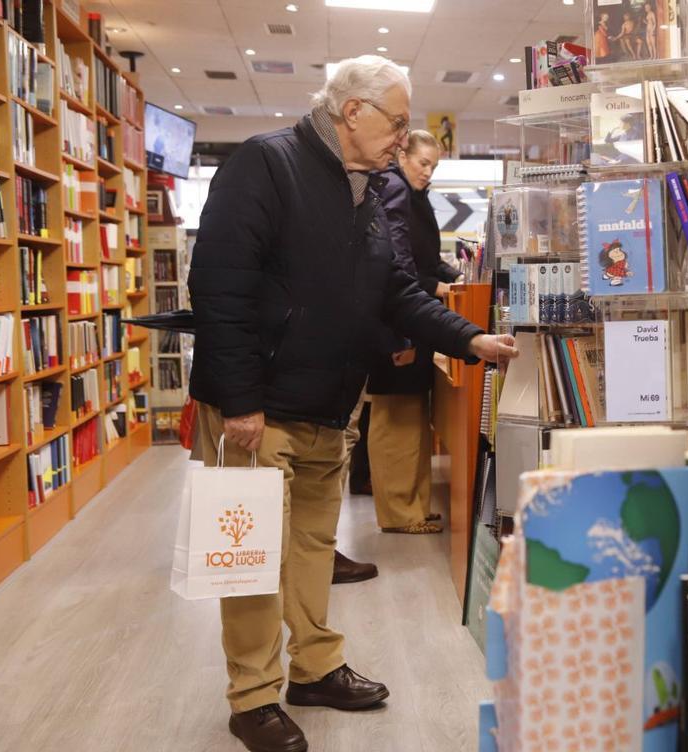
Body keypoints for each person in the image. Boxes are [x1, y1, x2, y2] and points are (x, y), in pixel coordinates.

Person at [188, 55, 518, 752]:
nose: (404, 135)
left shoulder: (367, 189)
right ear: (353, 111)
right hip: (259, 410)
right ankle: (252, 699)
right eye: (397, 122)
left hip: (328, 404)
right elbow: (220, 289)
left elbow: (394, 290)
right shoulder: (264, 164)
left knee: (311, 545)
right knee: (252, 558)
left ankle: (313, 667)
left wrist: (470, 339)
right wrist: (241, 401)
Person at [360, 130, 459, 535]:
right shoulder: (394, 191)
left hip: (411, 320)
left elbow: (426, 258)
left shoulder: (414, 196)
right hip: (396, 323)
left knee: (413, 418)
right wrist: (437, 286)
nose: (428, 171)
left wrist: (455, 277)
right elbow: (394, 264)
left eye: (434, 165)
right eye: (423, 162)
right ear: (402, 154)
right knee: (396, 420)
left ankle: (415, 506)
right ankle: (400, 512)